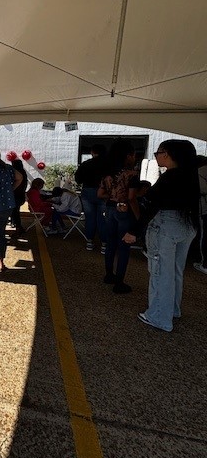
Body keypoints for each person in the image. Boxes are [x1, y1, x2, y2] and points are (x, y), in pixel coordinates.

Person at [123, 140, 199, 332]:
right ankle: (172, 309)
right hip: (186, 226)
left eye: (158, 152)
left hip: (165, 226)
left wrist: (134, 231)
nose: (156, 156)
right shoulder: (191, 175)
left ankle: (158, 317)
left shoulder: (169, 177)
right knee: (175, 271)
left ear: (168, 154)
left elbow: (152, 205)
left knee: (160, 272)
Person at [98, 139, 140, 293]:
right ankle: (119, 282)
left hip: (110, 208)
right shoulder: (132, 174)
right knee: (124, 247)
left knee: (110, 244)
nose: (134, 158)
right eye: (133, 155)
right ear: (128, 156)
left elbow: (100, 194)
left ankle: (109, 275)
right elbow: (131, 198)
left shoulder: (107, 174)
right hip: (124, 210)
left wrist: (113, 196)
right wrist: (138, 217)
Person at [75, 144, 107, 252]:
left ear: (92, 152)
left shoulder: (85, 164)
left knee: (90, 218)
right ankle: (104, 244)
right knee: (103, 219)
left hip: (87, 192)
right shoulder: (108, 164)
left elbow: (78, 179)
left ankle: (89, 241)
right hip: (103, 193)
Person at [193, 155, 207, 275]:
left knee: (205, 235)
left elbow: (202, 190)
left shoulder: (199, 172)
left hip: (205, 209)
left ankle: (205, 264)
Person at [11, 159, 28, 236]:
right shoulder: (23, 173)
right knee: (16, 212)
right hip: (21, 196)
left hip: (15, 196)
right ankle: (18, 227)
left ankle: (18, 228)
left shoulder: (16, 174)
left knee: (15, 212)